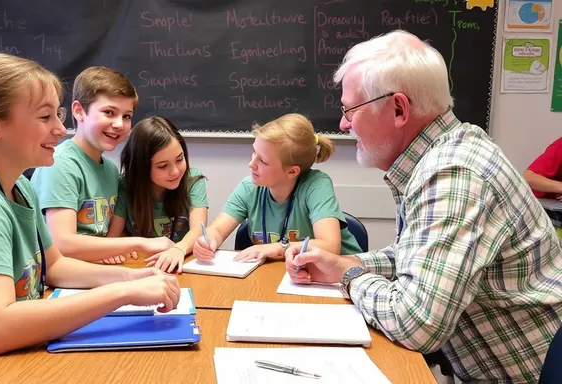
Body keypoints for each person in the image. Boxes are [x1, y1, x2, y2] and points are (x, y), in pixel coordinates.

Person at [0, 53, 180, 383]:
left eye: (58, 114)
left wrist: (131, 278)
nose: (59, 128)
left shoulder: (18, 183)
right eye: (44, 117)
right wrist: (121, 295)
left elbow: (56, 266)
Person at [285, 30, 562, 383]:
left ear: (398, 108)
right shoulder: (449, 152)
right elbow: (417, 259)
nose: (343, 124)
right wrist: (349, 262)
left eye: (350, 109)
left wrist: (348, 276)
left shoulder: (453, 173)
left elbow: (416, 324)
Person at [31, 67, 174, 263]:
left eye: (127, 116)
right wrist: (136, 243)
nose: (119, 124)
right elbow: (62, 243)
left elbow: (104, 234)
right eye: (109, 112)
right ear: (79, 111)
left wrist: (116, 245)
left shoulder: (110, 169)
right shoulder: (60, 164)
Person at [193, 113, 361, 263]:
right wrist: (209, 241)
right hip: (286, 276)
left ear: (292, 171)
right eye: (254, 153)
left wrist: (277, 248)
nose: (251, 164)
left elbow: (330, 246)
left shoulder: (316, 185)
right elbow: (217, 230)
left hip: (338, 278)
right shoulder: (249, 187)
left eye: (263, 161)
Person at [107, 116, 208, 273]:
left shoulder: (192, 180)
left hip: (180, 266)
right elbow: (112, 237)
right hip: (140, 267)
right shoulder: (125, 186)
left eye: (180, 159)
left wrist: (179, 249)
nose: (175, 171)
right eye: (162, 166)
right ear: (142, 168)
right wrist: (129, 244)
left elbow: (198, 230)